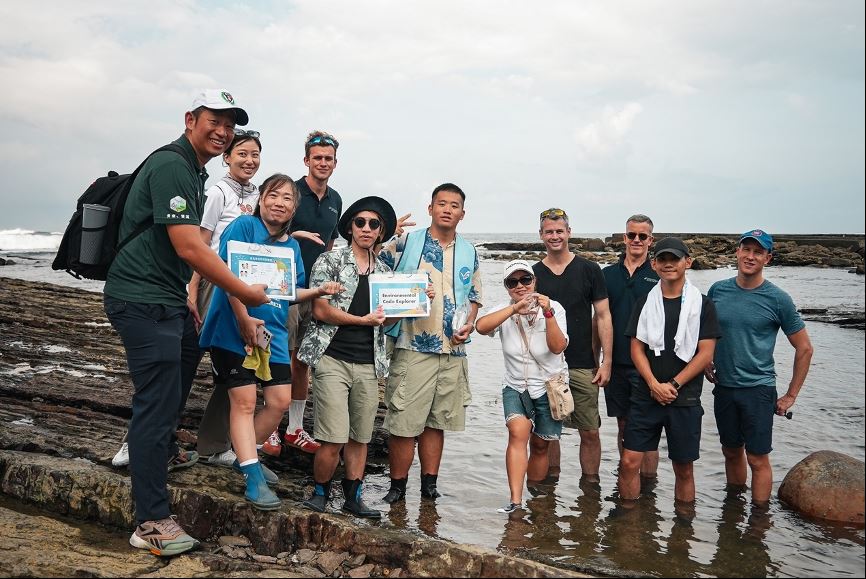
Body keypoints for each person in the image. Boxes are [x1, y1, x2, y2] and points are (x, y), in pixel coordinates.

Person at [103, 89, 268, 556]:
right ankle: (151, 521)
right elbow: (190, 246)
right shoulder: (175, 164)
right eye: (214, 121)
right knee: (156, 404)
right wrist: (243, 290)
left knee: (174, 386)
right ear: (190, 119)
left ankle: (163, 456)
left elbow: (179, 249)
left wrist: (187, 292)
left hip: (166, 298)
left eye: (230, 125)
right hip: (140, 300)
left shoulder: (193, 169)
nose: (223, 131)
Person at [198, 174, 342, 510]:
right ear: (261, 199)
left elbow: (289, 293)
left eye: (287, 198)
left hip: (272, 334)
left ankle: (243, 456)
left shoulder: (291, 246)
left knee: (278, 401)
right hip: (232, 329)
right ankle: (253, 477)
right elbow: (226, 276)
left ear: (294, 207)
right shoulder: (243, 228)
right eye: (273, 195)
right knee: (245, 402)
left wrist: (319, 291)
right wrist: (244, 320)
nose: (279, 203)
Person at [379, 183, 483, 503]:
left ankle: (429, 487)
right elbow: (374, 271)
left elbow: (475, 297)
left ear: (462, 214)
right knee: (404, 423)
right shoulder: (407, 242)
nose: (448, 209)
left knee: (437, 422)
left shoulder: (469, 250)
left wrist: (468, 325)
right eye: (442, 203)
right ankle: (397, 488)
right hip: (412, 345)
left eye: (454, 205)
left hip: (452, 351)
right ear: (431, 208)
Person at [297, 196, 400, 518]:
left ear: (381, 231)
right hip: (332, 358)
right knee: (333, 435)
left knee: (360, 437)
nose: (367, 229)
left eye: (374, 224)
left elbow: (389, 321)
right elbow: (320, 310)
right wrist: (362, 320)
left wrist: (414, 302)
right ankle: (320, 493)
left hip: (370, 363)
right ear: (350, 227)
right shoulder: (330, 261)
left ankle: (354, 498)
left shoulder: (386, 271)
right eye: (360, 222)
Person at [706, 229, 813, 507]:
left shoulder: (778, 299)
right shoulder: (718, 290)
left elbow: (804, 348)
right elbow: (706, 332)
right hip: (725, 387)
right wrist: (705, 359)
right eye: (746, 249)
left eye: (758, 252)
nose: (750, 256)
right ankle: (734, 508)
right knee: (730, 451)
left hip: (758, 389)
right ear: (737, 252)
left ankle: (760, 519)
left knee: (757, 457)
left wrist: (791, 395)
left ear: (768, 258)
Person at [619, 237, 721, 507]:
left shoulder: (703, 305)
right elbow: (636, 350)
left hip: (684, 398)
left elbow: (706, 354)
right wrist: (653, 383)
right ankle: (629, 525)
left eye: (674, 259)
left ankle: (683, 533)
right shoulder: (644, 303)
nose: (668, 264)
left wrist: (673, 384)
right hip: (645, 395)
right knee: (629, 462)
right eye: (662, 259)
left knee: (684, 469)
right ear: (653, 264)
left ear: (687, 262)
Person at [262, 131, 342, 457]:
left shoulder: (336, 199)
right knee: (277, 357)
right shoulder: (290, 193)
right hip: (285, 289)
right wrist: (294, 233)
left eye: (328, 158)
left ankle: (295, 428)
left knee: (303, 360)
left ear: (335, 163)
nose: (323, 163)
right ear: (306, 160)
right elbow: (270, 229)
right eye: (317, 157)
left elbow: (332, 245)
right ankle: (268, 429)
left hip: (317, 291)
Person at [191, 129, 262, 468]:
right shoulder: (218, 192)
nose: (250, 160)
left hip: (243, 287)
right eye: (243, 154)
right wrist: (192, 286)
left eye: (255, 155)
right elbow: (201, 243)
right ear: (227, 157)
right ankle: (142, 439)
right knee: (188, 359)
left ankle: (213, 444)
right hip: (213, 284)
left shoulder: (258, 194)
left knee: (233, 365)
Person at [476, 260, 569, 514]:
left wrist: (547, 313)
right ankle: (515, 502)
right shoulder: (504, 310)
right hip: (515, 385)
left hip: (549, 387)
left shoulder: (555, 308)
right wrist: (514, 310)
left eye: (525, 280)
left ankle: (535, 498)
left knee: (540, 446)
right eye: (512, 282)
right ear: (506, 287)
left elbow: (558, 347)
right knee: (517, 434)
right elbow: (481, 327)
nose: (520, 286)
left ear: (534, 281)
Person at [532, 208, 612, 481]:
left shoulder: (589, 269)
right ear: (541, 235)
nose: (555, 236)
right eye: (549, 232)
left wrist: (606, 362)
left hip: (582, 364)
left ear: (569, 232)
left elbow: (603, 316)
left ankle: (590, 488)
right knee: (547, 432)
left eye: (559, 231)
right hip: (544, 366)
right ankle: (549, 487)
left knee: (589, 431)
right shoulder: (533, 274)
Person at [600, 214, 660, 480]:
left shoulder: (660, 274)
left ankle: (647, 487)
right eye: (631, 235)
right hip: (616, 364)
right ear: (624, 238)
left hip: (651, 366)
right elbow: (599, 319)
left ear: (650, 240)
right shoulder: (607, 275)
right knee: (623, 426)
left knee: (648, 429)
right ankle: (626, 479)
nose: (636, 240)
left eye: (642, 236)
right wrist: (599, 360)